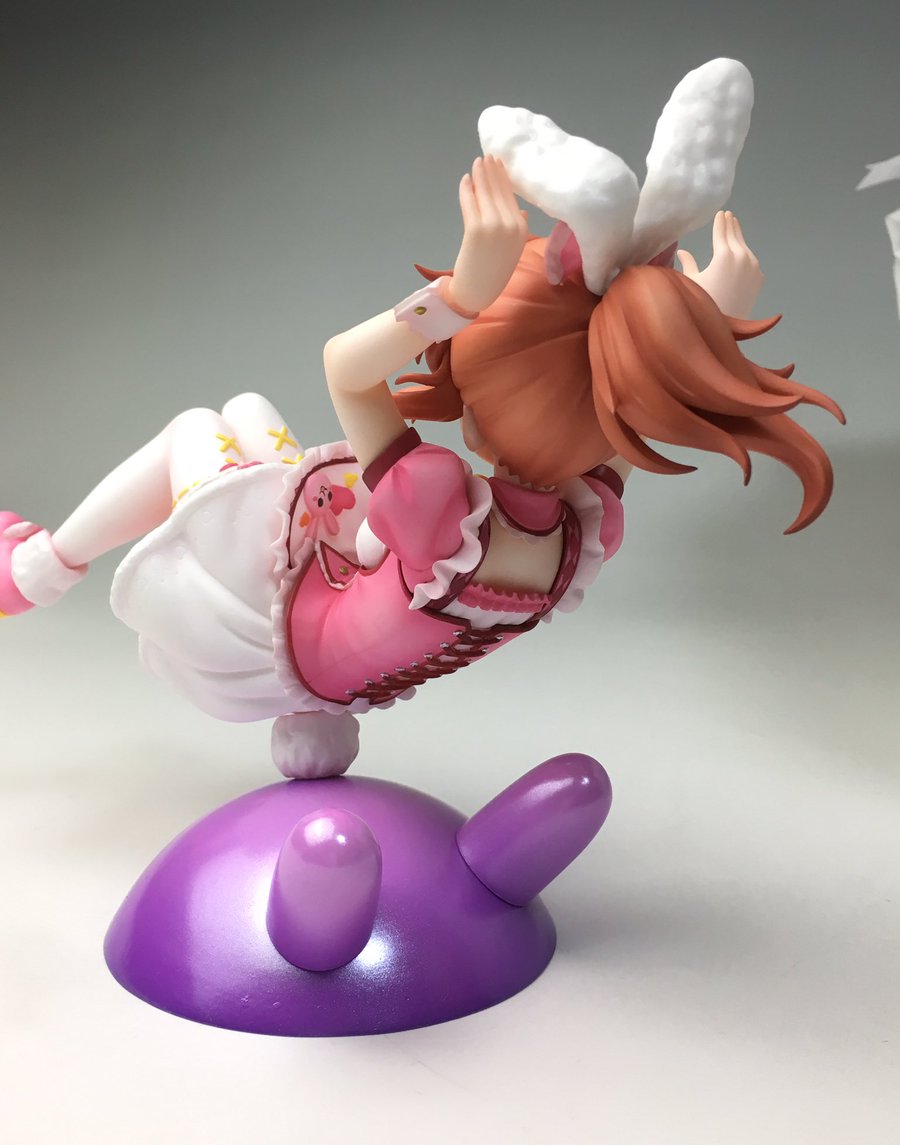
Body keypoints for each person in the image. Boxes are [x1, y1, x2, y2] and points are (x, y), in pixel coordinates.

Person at [0, 61, 844, 779]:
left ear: (475, 407)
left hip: (283, 629)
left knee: (196, 427)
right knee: (250, 416)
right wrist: (701, 326)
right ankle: (316, 724)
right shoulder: (584, 528)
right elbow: (629, 408)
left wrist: (462, 295)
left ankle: (35, 571)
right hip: (346, 658)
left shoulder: (440, 503)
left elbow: (345, 367)